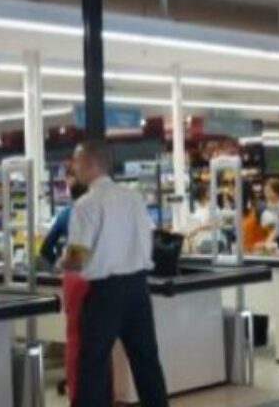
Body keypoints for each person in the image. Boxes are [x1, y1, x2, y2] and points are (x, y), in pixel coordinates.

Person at [62, 140, 168, 407]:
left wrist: (62, 262)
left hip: (105, 293)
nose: (74, 167)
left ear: (89, 163)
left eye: (76, 161)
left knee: (93, 364)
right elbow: (147, 241)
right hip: (138, 289)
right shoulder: (134, 198)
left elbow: (77, 259)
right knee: (146, 361)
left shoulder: (86, 205)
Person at [40, 182, 86, 266]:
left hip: (72, 267)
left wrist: (57, 263)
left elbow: (45, 249)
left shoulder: (65, 214)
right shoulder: (97, 214)